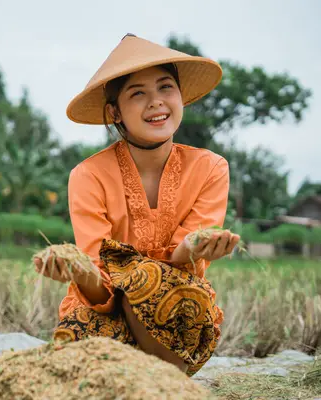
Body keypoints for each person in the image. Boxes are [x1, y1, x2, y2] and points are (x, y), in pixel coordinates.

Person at [33, 33, 241, 376]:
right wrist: (77, 270)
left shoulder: (211, 168)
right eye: (138, 93)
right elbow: (100, 281)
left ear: (180, 97)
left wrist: (194, 246)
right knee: (80, 342)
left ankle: (164, 383)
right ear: (115, 110)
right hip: (106, 318)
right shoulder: (87, 175)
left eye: (165, 88)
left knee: (146, 274)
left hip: (174, 318)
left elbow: (181, 258)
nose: (156, 102)